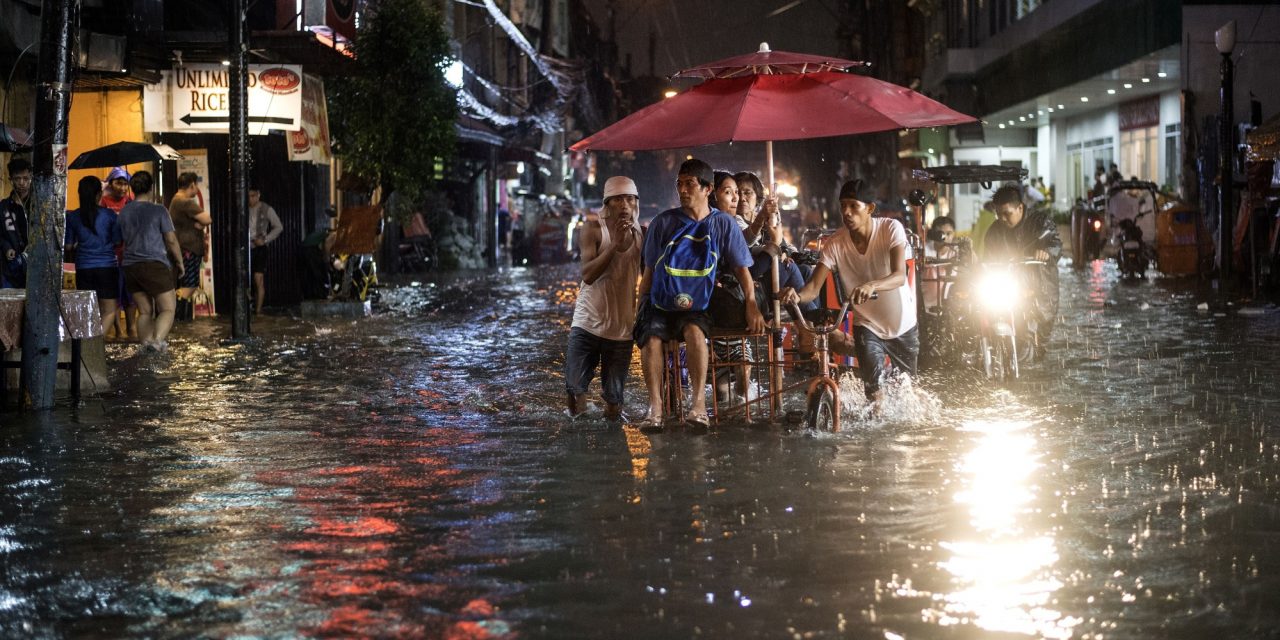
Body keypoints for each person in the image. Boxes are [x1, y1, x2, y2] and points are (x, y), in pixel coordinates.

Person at [634, 158, 763, 430]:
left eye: (690, 184)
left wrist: (751, 304)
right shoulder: (662, 222)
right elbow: (648, 274)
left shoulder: (723, 224)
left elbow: (742, 271)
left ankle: (698, 406)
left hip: (697, 303)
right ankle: (655, 408)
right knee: (651, 338)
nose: (682, 190)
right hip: (660, 301)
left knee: (695, 332)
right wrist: (638, 310)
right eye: (679, 184)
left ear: (707, 189)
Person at [780, 179, 918, 406]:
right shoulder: (835, 244)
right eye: (843, 205)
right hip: (867, 325)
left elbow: (899, 276)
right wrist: (797, 296)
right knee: (874, 394)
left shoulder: (891, 229)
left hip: (903, 325)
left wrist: (871, 285)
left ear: (870, 208)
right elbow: (812, 289)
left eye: (854, 206)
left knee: (907, 394)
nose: (846, 212)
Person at [564, 176, 642, 420]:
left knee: (614, 406)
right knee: (575, 394)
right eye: (618, 199)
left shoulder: (642, 234)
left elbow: (650, 276)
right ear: (607, 203)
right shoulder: (592, 229)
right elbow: (587, 275)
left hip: (621, 329)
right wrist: (614, 245)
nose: (625, 205)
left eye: (630, 199)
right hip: (587, 323)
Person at [981, 184, 1061, 360]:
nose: (1002, 219)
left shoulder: (1040, 222)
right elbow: (988, 259)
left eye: (1007, 214)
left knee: (1039, 342)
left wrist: (1046, 252)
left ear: (1020, 208)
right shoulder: (994, 231)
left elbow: (1055, 243)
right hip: (1009, 285)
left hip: (1040, 288)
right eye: (998, 214)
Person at [118, 171, 184, 352]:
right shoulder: (159, 210)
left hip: (130, 268)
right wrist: (180, 262)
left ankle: (146, 348)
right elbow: (171, 240)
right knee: (168, 309)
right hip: (154, 266)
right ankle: (156, 342)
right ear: (151, 188)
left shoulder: (124, 212)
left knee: (145, 311)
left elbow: (118, 240)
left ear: (132, 189)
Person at [65, 176, 123, 332]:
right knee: (109, 311)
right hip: (107, 268)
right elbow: (117, 241)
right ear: (99, 194)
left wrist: (79, 243)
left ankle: (87, 342)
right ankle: (96, 342)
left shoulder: (73, 217)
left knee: (88, 311)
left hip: (83, 269)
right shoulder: (110, 215)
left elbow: (68, 246)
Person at [99, 166, 137, 340]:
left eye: (125, 184)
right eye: (118, 183)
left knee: (130, 295)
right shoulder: (104, 202)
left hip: (128, 255)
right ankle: (118, 330)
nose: (122, 187)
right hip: (110, 255)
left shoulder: (130, 202)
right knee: (113, 295)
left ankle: (131, 328)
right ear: (110, 183)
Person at [169, 172, 212, 320]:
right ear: (192, 185)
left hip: (184, 248)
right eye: (196, 185)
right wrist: (201, 223)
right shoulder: (185, 202)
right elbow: (207, 219)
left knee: (188, 283)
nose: (197, 188)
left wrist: (199, 224)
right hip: (188, 249)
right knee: (190, 284)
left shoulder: (176, 200)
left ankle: (178, 317)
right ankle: (175, 316)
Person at [248, 188, 283, 314]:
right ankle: (251, 306)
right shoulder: (243, 208)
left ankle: (258, 311)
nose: (250, 199)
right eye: (248, 196)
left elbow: (279, 227)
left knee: (258, 278)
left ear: (258, 195)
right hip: (246, 247)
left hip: (260, 248)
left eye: (253, 196)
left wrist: (265, 239)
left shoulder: (266, 209)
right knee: (245, 279)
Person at [0, 157, 31, 288]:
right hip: (11, 270)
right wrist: (6, 247)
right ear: (10, 180)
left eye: (26, 178)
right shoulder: (3, 206)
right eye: (17, 179)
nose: (22, 183)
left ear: (31, 179)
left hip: (34, 267)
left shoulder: (37, 206)